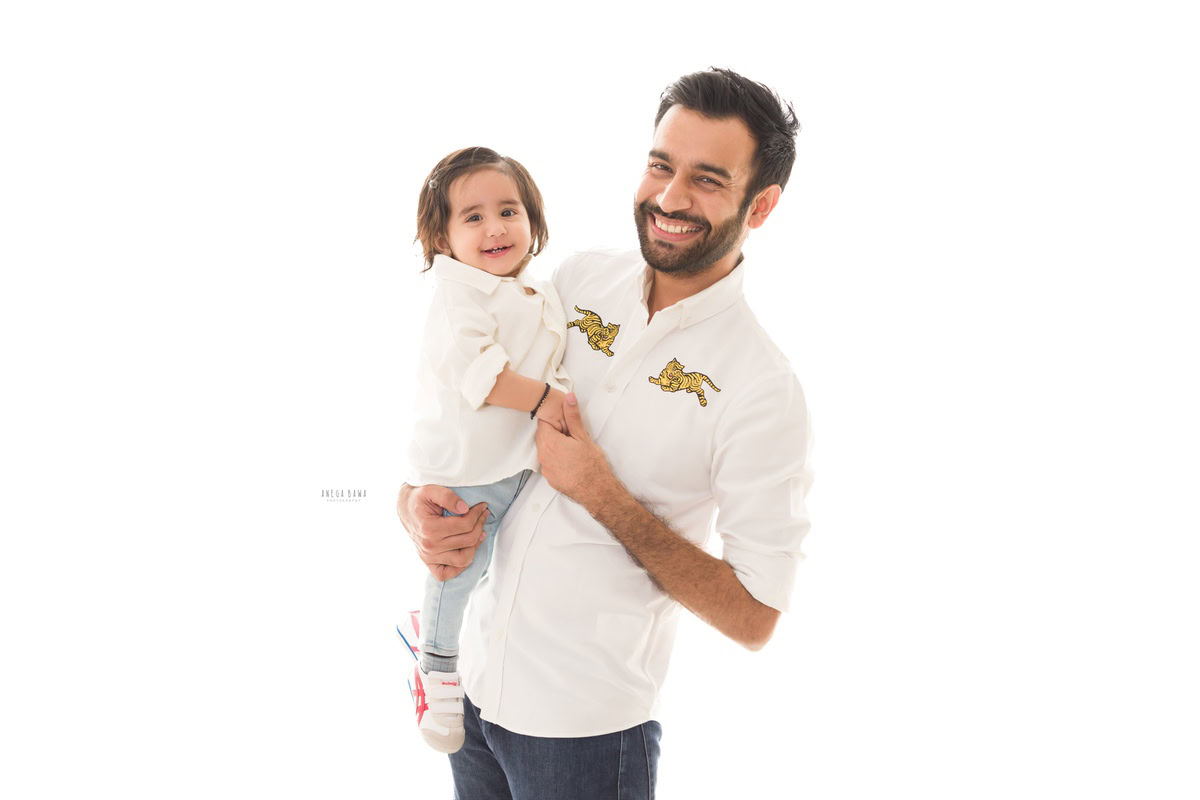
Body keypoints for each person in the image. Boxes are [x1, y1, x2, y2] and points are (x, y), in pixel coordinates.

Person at [397, 68, 813, 799]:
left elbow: (755, 617)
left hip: (584, 734)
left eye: (708, 179)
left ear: (763, 204)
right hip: (479, 692)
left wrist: (600, 492)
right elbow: (464, 389)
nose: (671, 197)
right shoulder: (577, 281)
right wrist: (412, 503)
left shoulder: (762, 388)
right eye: (661, 165)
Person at [403, 146, 571, 754]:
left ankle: (456, 647)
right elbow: (487, 377)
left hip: (517, 467)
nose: (496, 226)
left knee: (501, 578)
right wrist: (549, 401)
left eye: (509, 210)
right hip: (467, 470)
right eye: (472, 217)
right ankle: (436, 667)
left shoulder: (534, 291)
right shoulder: (459, 297)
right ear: (443, 238)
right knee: (459, 566)